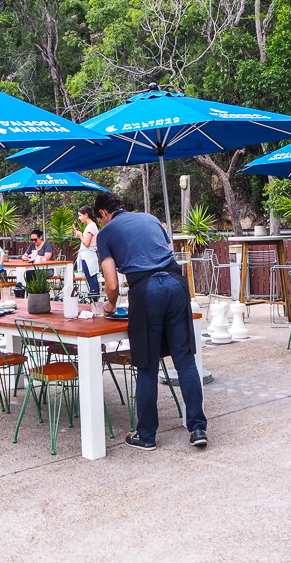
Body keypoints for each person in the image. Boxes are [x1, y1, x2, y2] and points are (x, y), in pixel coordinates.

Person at [95, 192, 208, 451]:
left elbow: (111, 283)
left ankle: (146, 435)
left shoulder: (106, 233)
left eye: (100, 219)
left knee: (147, 364)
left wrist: (110, 305)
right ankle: (198, 427)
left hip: (146, 289)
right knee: (185, 360)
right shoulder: (151, 218)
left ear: (103, 213)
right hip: (176, 283)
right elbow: (165, 252)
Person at [74, 206, 101, 298]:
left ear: (86, 215)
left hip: (88, 256)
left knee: (92, 280)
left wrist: (80, 236)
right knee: (91, 279)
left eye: (80, 215)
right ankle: (94, 299)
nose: (79, 218)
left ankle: (94, 299)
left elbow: (87, 243)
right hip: (86, 256)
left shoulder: (91, 226)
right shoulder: (90, 226)